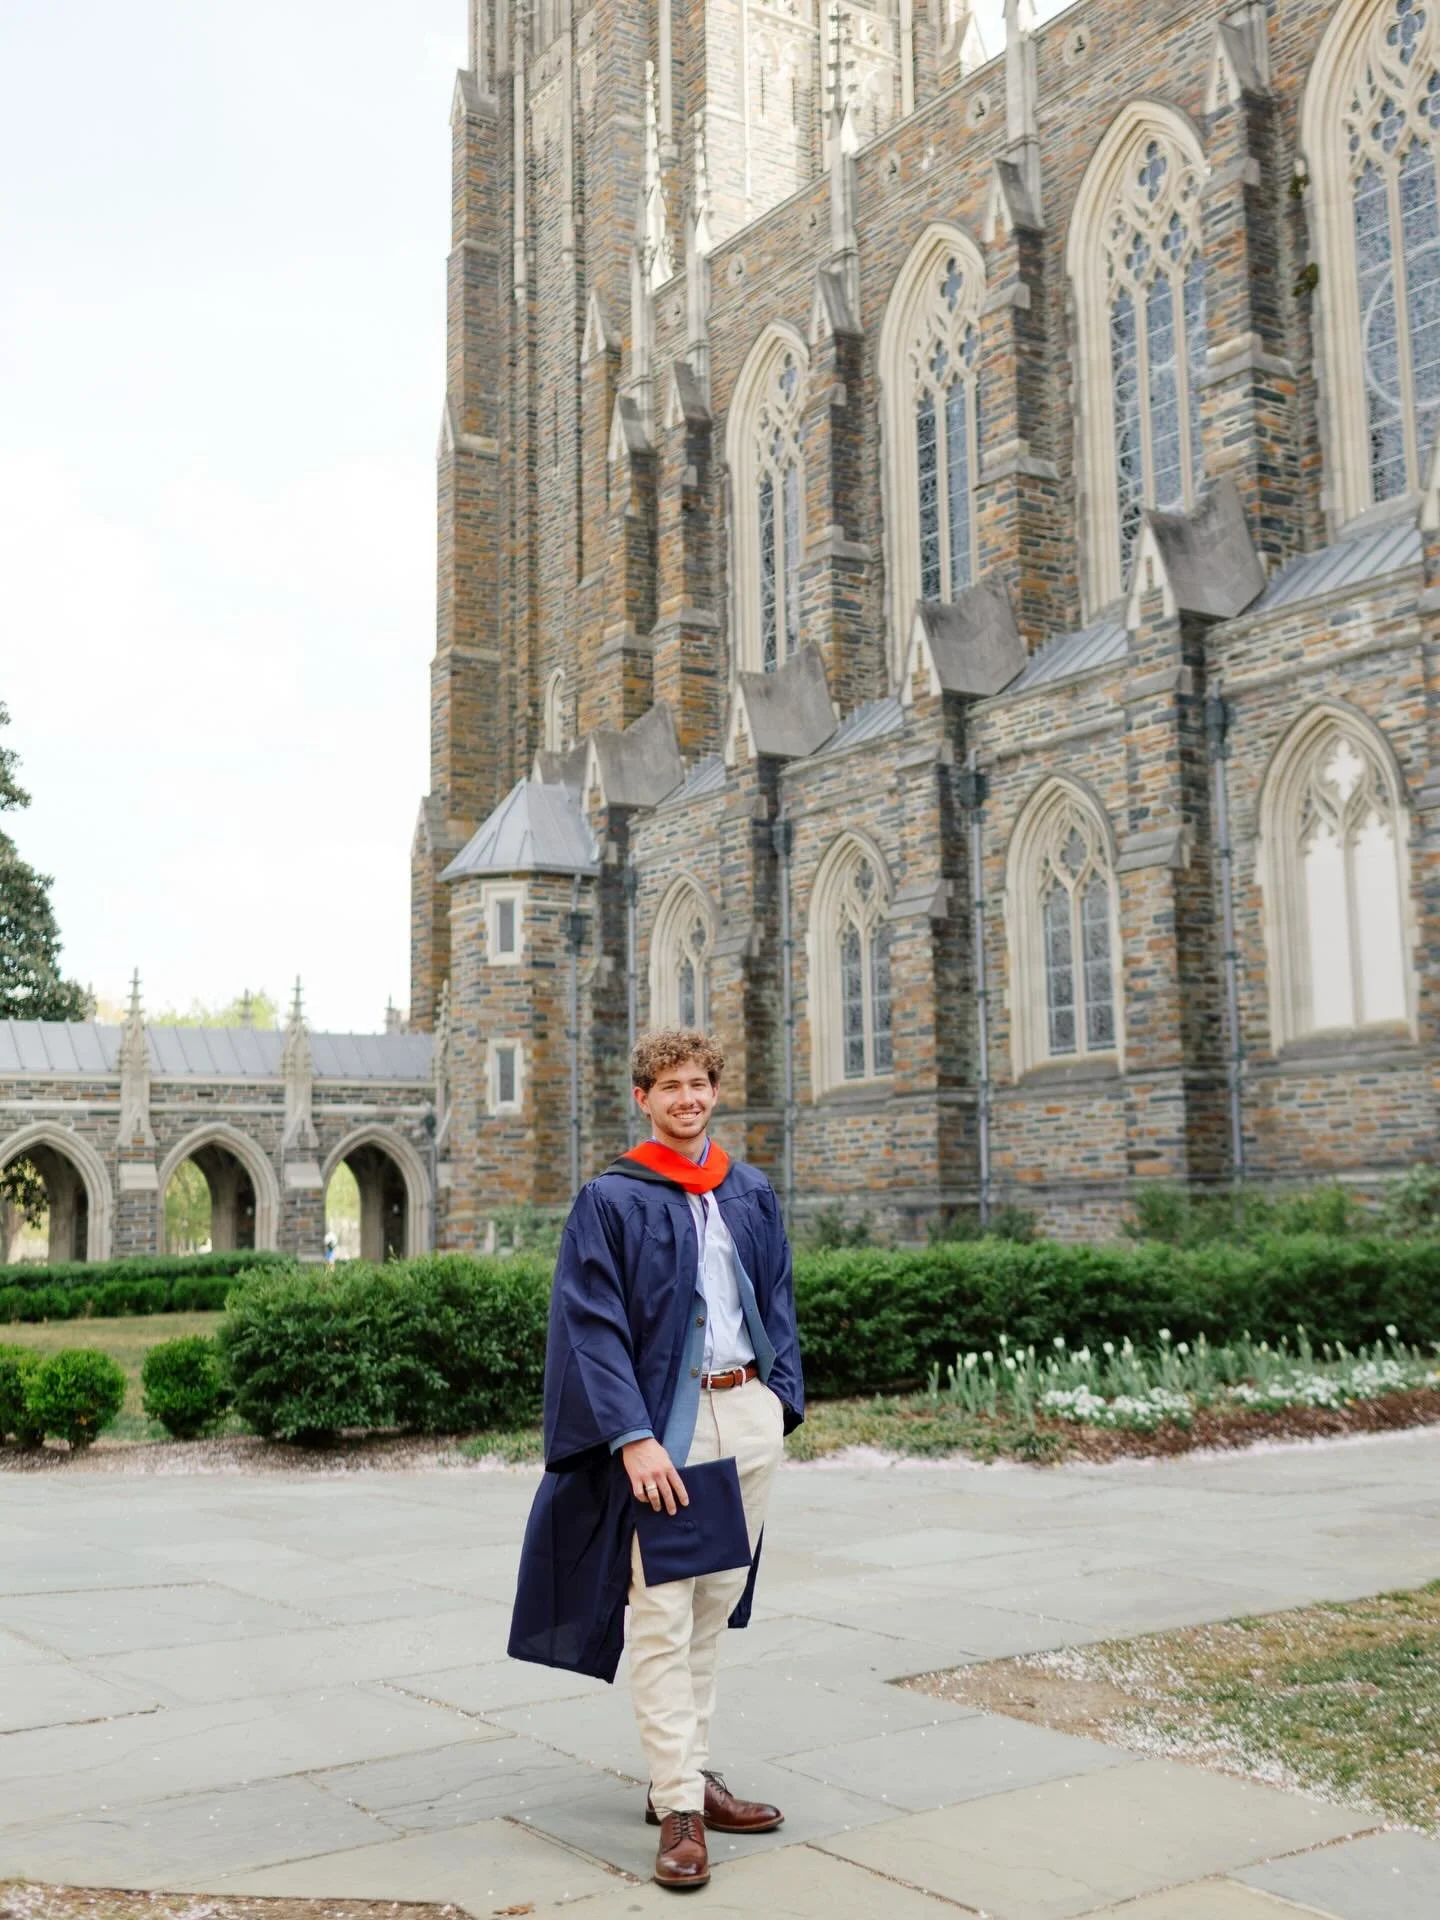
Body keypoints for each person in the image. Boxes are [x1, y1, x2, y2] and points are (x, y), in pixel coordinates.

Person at [509, 1027, 804, 1891]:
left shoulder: (746, 1189)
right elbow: (591, 1326)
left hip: (745, 1414)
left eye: (699, 1084)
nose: (687, 1099)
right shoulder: (612, 1199)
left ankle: (689, 1771)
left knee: (715, 1601)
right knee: (666, 1609)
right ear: (643, 1098)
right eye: (670, 1086)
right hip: (670, 1431)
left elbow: (778, 1296)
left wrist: (779, 1399)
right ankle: (677, 1803)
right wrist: (633, 1437)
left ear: (715, 1092)